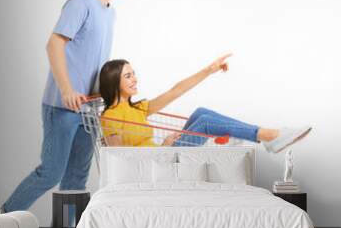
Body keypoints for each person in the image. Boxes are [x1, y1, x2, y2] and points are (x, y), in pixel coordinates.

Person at [3, 0, 123, 226]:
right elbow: (54, 44)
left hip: (90, 110)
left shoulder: (110, 12)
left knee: (77, 178)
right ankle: (0, 219)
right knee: (50, 173)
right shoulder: (80, 4)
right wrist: (67, 90)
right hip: (62, 107)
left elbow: (94, 61)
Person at [99, 55, 311, 153]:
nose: (134, 79)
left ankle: (265, 136)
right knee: (206, 123)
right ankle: (268, 136)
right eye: (128, 76)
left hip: (161, 152)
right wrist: (162, 147)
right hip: (157, 161)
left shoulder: (137, 108)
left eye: (133, 74)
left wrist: (209, 70)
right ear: (114, 82)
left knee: (201, 113)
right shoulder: (110, 116)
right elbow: (119, 158)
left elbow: (176, 90)